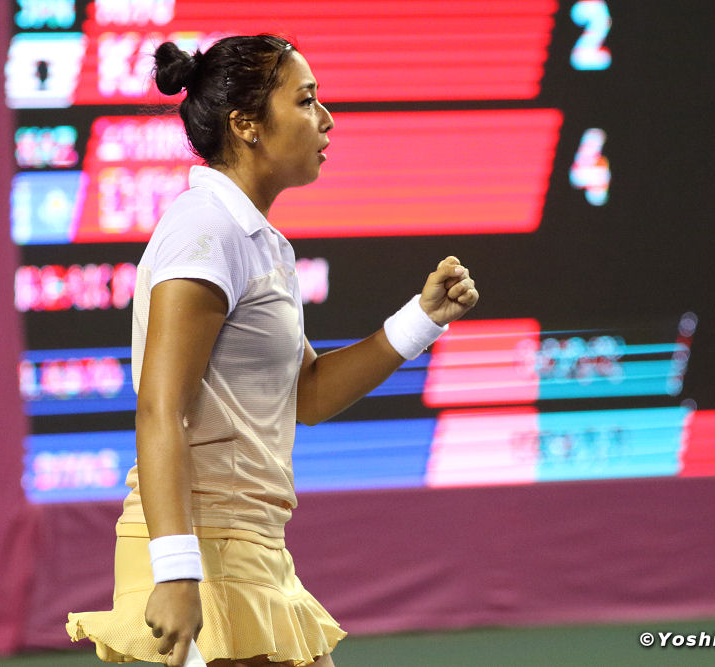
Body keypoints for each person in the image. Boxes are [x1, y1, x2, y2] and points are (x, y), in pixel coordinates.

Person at [67, 34, 479, 667]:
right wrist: (175, 570)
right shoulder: (205, 229)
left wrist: (420, 320)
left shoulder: (257, 240)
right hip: (201, 550)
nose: (326, 119)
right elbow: (159, 409)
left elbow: (306, 395)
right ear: (246, 125)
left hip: (250, 549)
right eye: (306, 100)